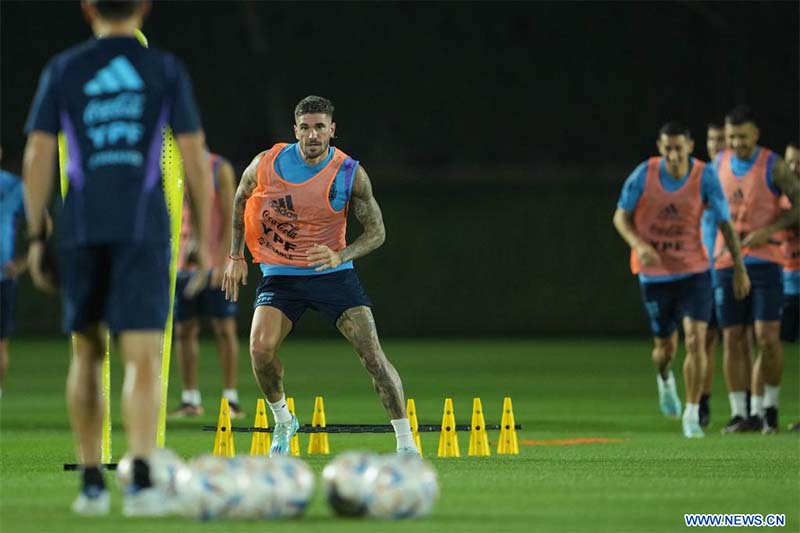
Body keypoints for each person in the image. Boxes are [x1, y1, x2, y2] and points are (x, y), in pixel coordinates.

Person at [23, 0, 211, 516]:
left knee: (86, 352)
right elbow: (193, 152)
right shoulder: (164, 68)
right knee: (143, 357)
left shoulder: (63, 68)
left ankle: (90, 482)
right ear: (144, 9)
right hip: (144, 229)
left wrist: (37, 235)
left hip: (81, 227)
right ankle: (143, 481)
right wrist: (207, 236)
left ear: (88, 10)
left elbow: (38, 153)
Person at [222, 95, 419, 456]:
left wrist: (340, 254)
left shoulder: (349, 174)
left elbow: (377, 232)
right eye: (306, 128)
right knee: (259, 351)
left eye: (320, 127)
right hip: (281, 275)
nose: (313, 135)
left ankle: (406, 444)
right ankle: (283, 421)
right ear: (295, 130)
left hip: (332, 275)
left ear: (332, 129)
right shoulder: (267, 163)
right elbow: (240, 198)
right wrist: (235, 256)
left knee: (372, 357)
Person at [613, 121, 749, 439]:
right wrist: (639, 245)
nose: (673, 154)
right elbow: (620, 215)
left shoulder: (705, 176)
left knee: (696, 340)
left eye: (679, 147)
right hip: (655, 274)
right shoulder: (643, 175)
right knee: (665, 350)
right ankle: (665, 380)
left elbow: (726, 224)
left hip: (695, 271)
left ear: (690, 147)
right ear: (661, 148)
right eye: (667, 148)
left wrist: (739, 268)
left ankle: (691, 412)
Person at [714, 107, 800, 435]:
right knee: (733, 338)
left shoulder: (773, 166)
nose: (738, 142)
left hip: (766, 262)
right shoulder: (718, 165)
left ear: (756, 134)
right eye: (732, 136)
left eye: (743, 136)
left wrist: (770, 230)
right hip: (727, 262)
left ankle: (769, 409)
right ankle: (740, 414)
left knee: (767, 338)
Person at [169, 151, 243, 419]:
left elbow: (232, 217)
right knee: (184, 331)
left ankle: (231, 399)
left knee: (224, 328)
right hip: (181, 266)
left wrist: (222, 262)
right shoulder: (169, 168)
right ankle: (190, 400)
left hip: (213, 264)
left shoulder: (217, 168)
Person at [698, 122, 727, 426]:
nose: (717, 145)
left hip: (731, 266)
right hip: (703, 268)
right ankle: (702, 402)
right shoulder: (700, 177)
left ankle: (745, 407)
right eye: (713, 139)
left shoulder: (731, 178)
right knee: (703, 338)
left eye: (722, 140)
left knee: (737, 338)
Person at [0, 146, 28, 399]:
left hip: (2, 279)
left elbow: (42, 226)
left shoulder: (14, 187)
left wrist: (24, 261)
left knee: (1, 342)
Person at [780, 142, 799, 432]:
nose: (796, 168)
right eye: (791, 162)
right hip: (782, 283)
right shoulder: (777, 198)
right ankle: (757, 412)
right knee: (768, 346)